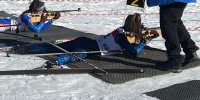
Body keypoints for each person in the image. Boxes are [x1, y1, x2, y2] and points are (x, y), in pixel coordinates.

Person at [11, 13, 159, 68]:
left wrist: (141, 36)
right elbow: (133, 53)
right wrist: (144, 42)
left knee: (57, 47)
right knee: (76, 55)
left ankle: (28, 48)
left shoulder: (121, 30)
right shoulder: (123, 37)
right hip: (91, 49)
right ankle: (57, 62)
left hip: (87, 41)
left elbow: (130, 36)